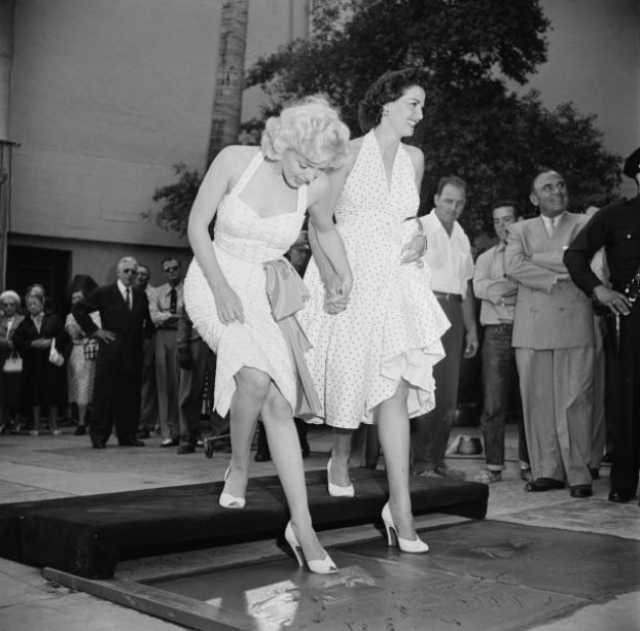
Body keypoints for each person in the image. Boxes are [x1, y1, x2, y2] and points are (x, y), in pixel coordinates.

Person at [184, 96, 352, 573]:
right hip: (213, 275)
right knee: (254, 378)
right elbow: (197, 226)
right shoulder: (236, 160)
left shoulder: (314, 187)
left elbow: (326, 232)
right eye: (304, 163)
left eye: (320, 167)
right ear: (285, 143)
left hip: (262, 289)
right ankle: (238, 466)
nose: (309, 175)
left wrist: (345, 276)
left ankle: (303, 527)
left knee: (279, 402)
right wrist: (218, 287)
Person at [300, 69, 449, 553]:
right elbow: (318, 219)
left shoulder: (416, 158)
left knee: (394, 384)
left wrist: (422, 235)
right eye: (413, 104)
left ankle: (400, 509)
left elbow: (408, 216)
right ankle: (339, 454)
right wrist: (328, 276)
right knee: (349, 371)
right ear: (386, 103)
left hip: (398, 276)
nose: (420, 114)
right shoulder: (347, 151)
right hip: (350, 268)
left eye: (422, 105)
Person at [505, 169, 595, 498]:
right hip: (532, 328)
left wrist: (538, 260)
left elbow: (588, 263)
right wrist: (560, 271)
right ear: (534, 198)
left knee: (576, 401)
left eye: (560, 185)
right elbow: (512, 266)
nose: (556, 191)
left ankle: (579, 474)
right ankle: (547, 472)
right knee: (538, 403)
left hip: (574, 321)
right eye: (547, 187)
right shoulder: (518, 229)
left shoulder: (585, 223)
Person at [564, 147, 640, 504]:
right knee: (625, 401)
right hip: (629, 316)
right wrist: (600, 291)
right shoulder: (614, 216)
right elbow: (575, 255)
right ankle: (624, 480)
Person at [410, 175, 479, 479]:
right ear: (436, 199)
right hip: (426, 310)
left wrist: (472, 329)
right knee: (426, 387)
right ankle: (421, 463)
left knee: (448, 395)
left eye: (460, 202)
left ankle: (438, 460)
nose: (454, 207)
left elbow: (465, 286)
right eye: (448, 200)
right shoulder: (419, 227)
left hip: (454, 312)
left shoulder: (463, 236)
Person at [472, 201, 530, 483]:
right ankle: (494, 466)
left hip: (527, 331)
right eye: (497, 221)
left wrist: (502, 289)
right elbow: (480, 288)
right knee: (493, 403)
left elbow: (527, 285)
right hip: (495, 333)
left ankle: (529, 463)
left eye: (508, 219)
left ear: (518, 220)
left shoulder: (530, 256)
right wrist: (509, 289)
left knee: (529, 402)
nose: (503, 226)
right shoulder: (485, 258)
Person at [72, 256, 154, 449]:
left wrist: (144, 339)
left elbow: (148, 323)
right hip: (110, 354)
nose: (130, 275)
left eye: (133, 272)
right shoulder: (104, 292)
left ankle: (128, 435)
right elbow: (79, 309)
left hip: (133, 355)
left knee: (131, 396)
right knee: (105, 396)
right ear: (118, 272)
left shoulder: (140, 295)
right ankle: (99, 436)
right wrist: (96, 331)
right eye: (126, 271)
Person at [13, 292, 67, 436]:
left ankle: (53, 422)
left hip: (50, 362)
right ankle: (36, 424)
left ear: (42, 305)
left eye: (35, 303)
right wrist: (31, 343)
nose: (32, 307)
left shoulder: (54, 319)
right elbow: (18, 340)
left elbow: (63, 336)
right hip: (33, 362)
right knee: (35, 392)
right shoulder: (24, 323)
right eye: (29, 304)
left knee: (53, 392)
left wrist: (51, 342)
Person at [149, 258, 184, 447]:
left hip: (182, 337)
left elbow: (191, 315)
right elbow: (154, 316)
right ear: (163, 272)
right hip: (162, 338)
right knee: (164, 385)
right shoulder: (156, 292)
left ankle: (183, 430)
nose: (172, 272)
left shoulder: (188, 290)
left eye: (175, 268)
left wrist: (167, 317)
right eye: (167, 269)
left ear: (181, 269)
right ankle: (167, 432)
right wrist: (175, 317)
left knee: (182, 384)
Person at [175, 305, 212, 454]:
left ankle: (221, 435)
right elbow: (184, 318)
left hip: (222, 340)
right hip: (196, 340)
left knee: (221, 390)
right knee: (189, 391)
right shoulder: (194, 284)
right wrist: (182, 345)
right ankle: (188, 435)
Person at [65, 284, 100, 436]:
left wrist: (88, 330)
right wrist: (87, 330)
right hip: (78, 352)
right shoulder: (70, 316)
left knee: (94, 386)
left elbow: (97, 332)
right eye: (74, 298)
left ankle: (96, 421)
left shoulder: (96, 314)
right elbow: (75, 334)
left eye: (79, 297)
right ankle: (81, 421)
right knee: (80, 386)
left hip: (95, 352)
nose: (76, 300)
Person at [135, 263, 158, 439]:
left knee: (147, 383)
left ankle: (145, 423)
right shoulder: (126, 294)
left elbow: (153, 320)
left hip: (148, 339)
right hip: (130, 341)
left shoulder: (153, 294)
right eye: (138, 274)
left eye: (144, 275)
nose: (140, 277)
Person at [0, 290, 25, 434]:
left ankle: (17, 420)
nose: (9, 307)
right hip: (1, 357)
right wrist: (6, 342)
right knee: (2, 390)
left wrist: (14, 343)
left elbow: (24, 336)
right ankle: (4, 420)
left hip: (16, 358)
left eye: (12, 304)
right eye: (5, 304)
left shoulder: (22, 320)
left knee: (15, 389)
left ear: (17, 306)